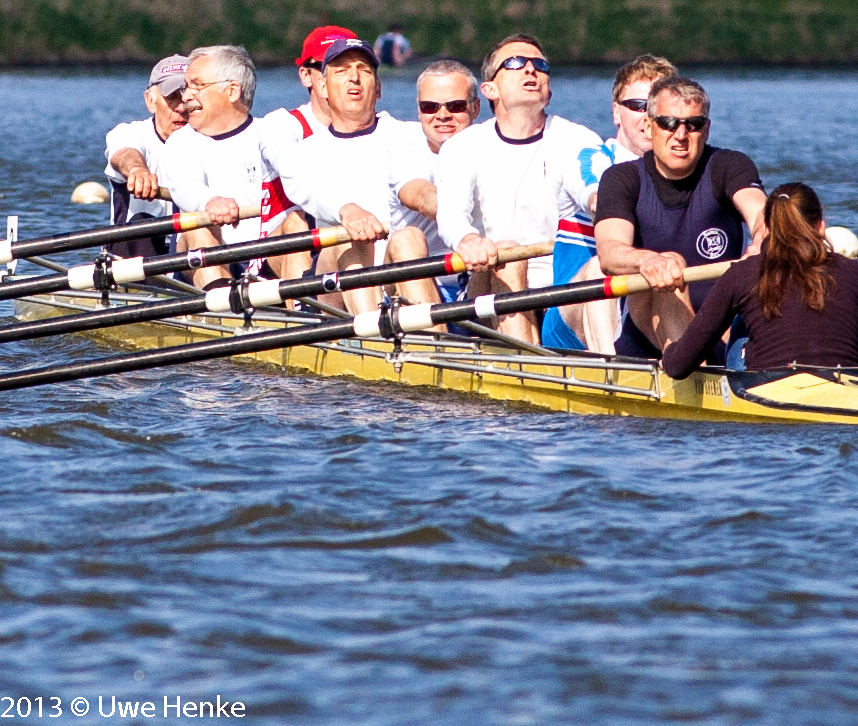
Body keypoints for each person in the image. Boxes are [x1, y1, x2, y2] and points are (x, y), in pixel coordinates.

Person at [436, 34, 604, 345]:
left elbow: (589, 185)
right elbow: (450, 217)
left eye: (540, 65)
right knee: (509, 252)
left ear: (549, 92)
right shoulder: (462, 147)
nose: (530, 70)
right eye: (515, 64)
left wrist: (599, 200)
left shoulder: (578, 139)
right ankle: (526, 367)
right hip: (487, 284)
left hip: (563, 290)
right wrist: (467, 239)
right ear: (490, 89)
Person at [595, 75, 767, 360]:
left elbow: (760, 213)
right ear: (649, 128)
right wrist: (648, 260)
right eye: (668, 123)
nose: (681, 134)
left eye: (693, 124)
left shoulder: (729, 166)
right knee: (668, 263)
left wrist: (766, 238)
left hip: (723, 327)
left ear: (707, 129)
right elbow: (610, 252)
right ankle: (689, 364)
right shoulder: (622, 179)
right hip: (650, 334)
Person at [273, 38, 421, 315]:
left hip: (397, 271)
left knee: (408, 239)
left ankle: (430, 343)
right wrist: (349, 211)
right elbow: (316, 196)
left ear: (378, 88)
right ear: (322, 87)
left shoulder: (413, 137)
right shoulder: (300, 156)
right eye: (341, 70)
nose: (354, 77)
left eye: (364, 70)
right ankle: (373, 337)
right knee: (350, 238)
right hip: (333, 284)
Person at [542, 54, 677, 352]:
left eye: (656, 108)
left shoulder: (688, 171)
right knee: (604, 266)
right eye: (638, 106)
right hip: (571, 318)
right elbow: (595, 197)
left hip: (643, 306)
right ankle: (611, 372)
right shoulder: (592, 160)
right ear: (616, 113)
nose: (647, 117)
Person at [662, 183, 858, 378]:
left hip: (765, 392)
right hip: (845, 391)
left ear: (765, 229)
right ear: (821, 227)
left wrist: (668, 355)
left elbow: (678, 366)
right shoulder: (853, 270)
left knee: (741, 322)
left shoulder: (742, 274)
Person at [258, 26, 357, 282]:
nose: (348, 77)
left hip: (337, 248)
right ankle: (302, 313)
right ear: (305, 76)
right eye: (329, 67)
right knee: (297, 222)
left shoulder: (383, 128)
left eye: (354, 67)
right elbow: (289, 163)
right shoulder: (282, 124)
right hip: (274, 262)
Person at [385, 59, 481, 319]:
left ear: (476, 108)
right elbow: (423, 197)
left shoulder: (493, 149)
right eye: (430, 107)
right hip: (416, 281)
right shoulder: (408, 159)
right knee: (407, 239)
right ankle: (435, 349)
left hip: (475, 276)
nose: (442, 115)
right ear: (419, 112)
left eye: (456, 106)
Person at [162, 45, 262, 290]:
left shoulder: (272, 135)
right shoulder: (182, 141)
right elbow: (185, 187)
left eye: (197, 86)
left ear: (231, 91)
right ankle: (223, 312)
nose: (185, 97)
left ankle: (307, 315)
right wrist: (211, 201)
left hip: (265, 257)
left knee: (294, 222)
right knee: (196, 223)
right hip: (208, 258)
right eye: (187, 86)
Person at [103, 54, 189, 259]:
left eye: (187, 98)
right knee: (143, 221)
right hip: (138, 256)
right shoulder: (130, 133)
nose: (181, 107)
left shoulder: (212, 141)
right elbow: (124, 153)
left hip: (189, 249)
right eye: (172, 98)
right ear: (151, 101)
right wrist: (137, 171)